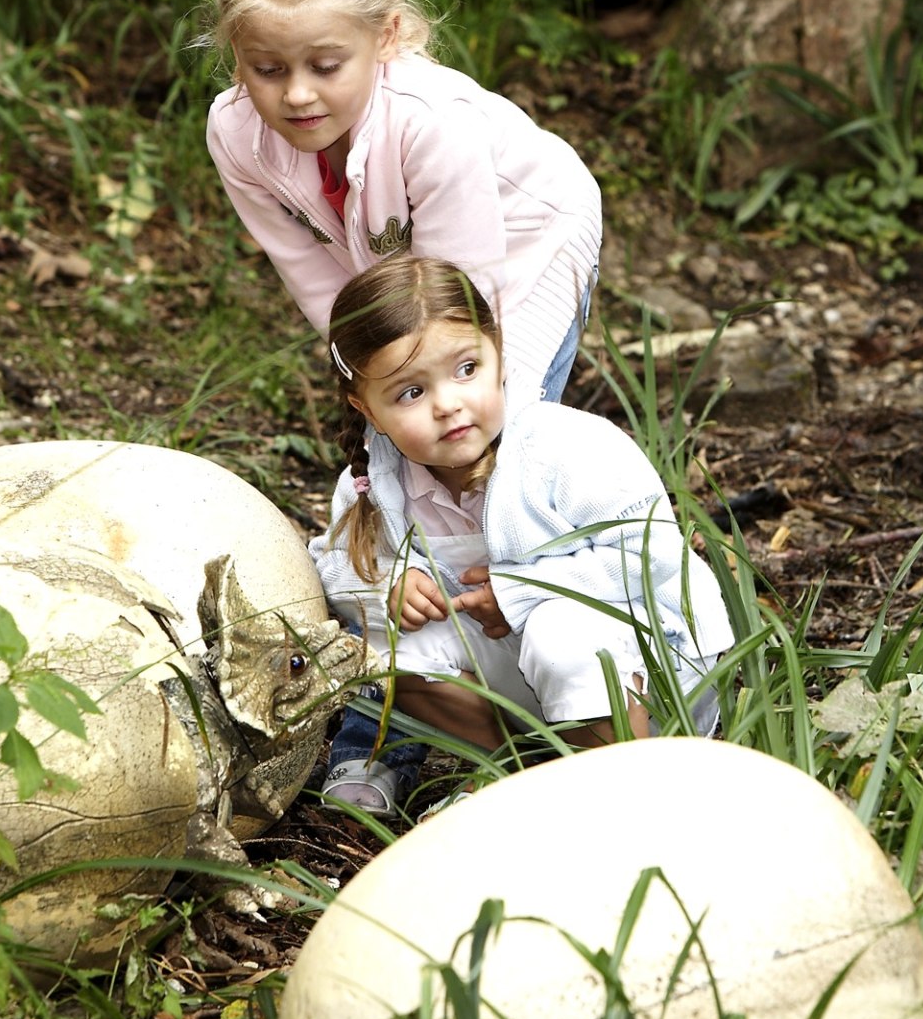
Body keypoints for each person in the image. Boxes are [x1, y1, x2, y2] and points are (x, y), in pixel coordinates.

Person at [203, 0, 603, 815]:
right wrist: (367, 383)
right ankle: (383, 730)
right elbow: (310, 267)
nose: (296, 94)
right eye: (268, 69)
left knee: (480, 444)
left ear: (384, 39)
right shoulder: (235, 130)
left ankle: (563, 686)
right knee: (388, 471)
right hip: (387, 283)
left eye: (324, 65)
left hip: (514, 253)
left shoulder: (431, 123)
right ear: (237, 60)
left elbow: (463, 303)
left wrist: (415, 399)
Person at [310, 256, 730, 798]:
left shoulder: (566, 449)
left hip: (648, 678)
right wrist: (388, 584)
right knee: (382, 655)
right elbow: (335, 564)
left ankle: (619, 791)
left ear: (498, 353)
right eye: (411, 393)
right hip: (525, 694)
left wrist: (518, 592)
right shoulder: (373, 482)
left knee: (562, 633)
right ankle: (522, 775)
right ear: (364, 407)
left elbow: (649, 556)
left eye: (466, 369)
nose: (448, 405)